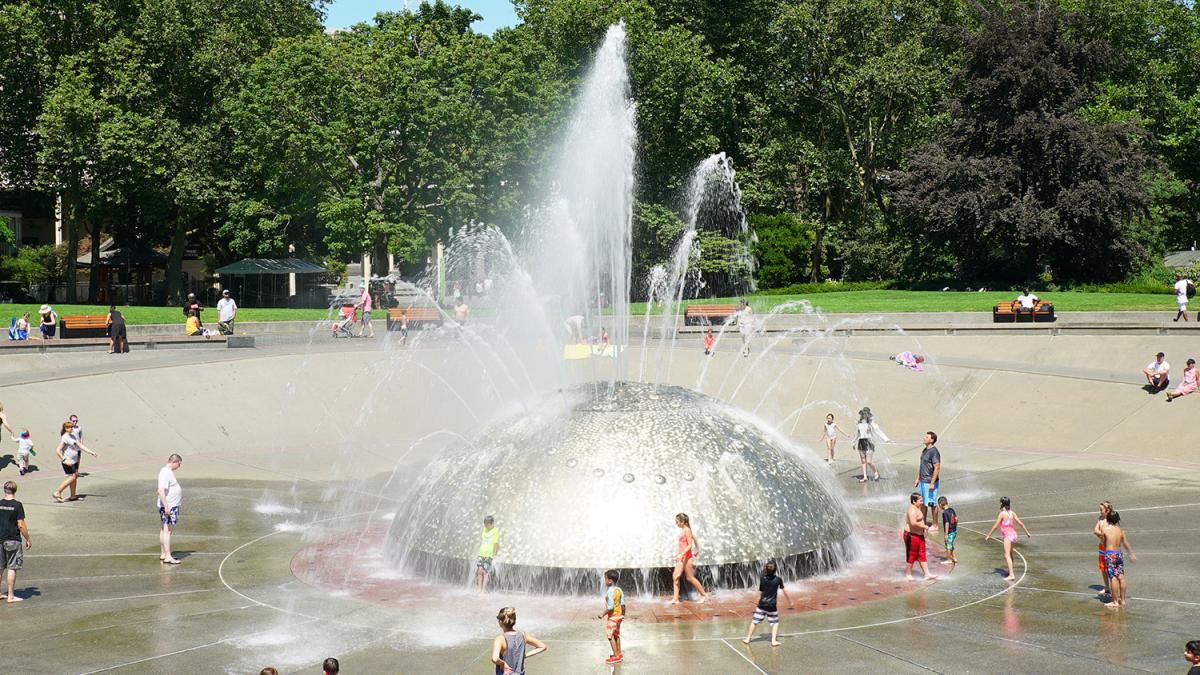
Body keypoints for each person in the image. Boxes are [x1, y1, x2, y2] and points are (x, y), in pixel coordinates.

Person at [741, 561, 796, 647]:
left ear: (766, 570)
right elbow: (785, 591)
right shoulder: (778, 580)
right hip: (772, 606)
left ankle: (748, 638)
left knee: (754, 622)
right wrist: (790, 601)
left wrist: (759, 600)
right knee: (775, 622)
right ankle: (773, 641)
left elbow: (761, 592)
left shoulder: (762, 579)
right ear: (775, 570)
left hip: (761, 605)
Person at [985, 496, 1031, 581]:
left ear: (1002, 503)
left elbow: (995, 526)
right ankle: (1010, 572)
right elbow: (1020, 523)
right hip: (1014, 535)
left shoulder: (1002, 514)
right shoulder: (1012, 513)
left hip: (1008, 536)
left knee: (1007, 555)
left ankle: (1012, 575)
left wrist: (989, 535)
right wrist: (1027, 533)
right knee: (1010, 554)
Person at [491, 606, 547, 675]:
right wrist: (524, 655)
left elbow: (495, 659)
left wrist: (503, 663)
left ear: (500, 621)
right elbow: (543, 646)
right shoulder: (523, 635)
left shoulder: (500, 639)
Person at [0, 481, 31, 603]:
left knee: (0, 567)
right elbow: (21, 525)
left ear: (4, 490)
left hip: (0, 538)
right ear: (15, 491)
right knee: (12, 567)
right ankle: (11, 595)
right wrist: (27, 538)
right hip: (12, 539)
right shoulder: (17, 505)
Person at [51, 421, 97, 503]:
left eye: (72, 427)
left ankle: (73, 496)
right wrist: (64, 459)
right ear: (65, 428)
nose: (71, 428)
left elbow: (80, 446)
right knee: (72, 477)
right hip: (68, 461)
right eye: (69, 427)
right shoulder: (65, 437)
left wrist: (92, 452)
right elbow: (57, 450)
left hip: (74, 460)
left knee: (74, 478)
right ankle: (58, 492)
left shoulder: (72, 436)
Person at [1100, 510, 1135, 609]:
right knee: (1121, 577)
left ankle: (1115, 601)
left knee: (1113, 578)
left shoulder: (1105, 529)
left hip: (1110, 555)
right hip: (1119, 554)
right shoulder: (1120, 530)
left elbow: (1103, 542)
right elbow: (1126, 544)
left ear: (1108, 519)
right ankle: (1123, 600)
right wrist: (1131, 554)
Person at [670, 512, 708, 603]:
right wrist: (678, 554)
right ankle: (675, 599)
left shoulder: (687, 530)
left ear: (683, 521)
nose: (676, 524)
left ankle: (703, 595)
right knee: (675, 576)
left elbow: (690, 545)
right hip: (682, 557)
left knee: (690, 578)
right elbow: (693, 539)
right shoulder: (683, 529)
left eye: (677, 522)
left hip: (686, 557)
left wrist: (682, 554)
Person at [903, 492, 936, 581]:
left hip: (919, 536)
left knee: (922, 554)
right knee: (911, 555)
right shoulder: (912, 510)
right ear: (914, 501)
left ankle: (927, 574)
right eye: (920, 500)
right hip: (912, 536)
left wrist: (923, 528)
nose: (922, 502)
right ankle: (908, 574)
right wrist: (925, 526)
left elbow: (918, 521)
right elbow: (913, 523)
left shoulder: (917, 508)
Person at [158, 454, 183, 564]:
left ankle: (164, 553)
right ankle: (168, 556)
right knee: (167, 531)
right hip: (169, 506)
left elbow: (162, 489)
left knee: (164, 530)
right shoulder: (166, 472)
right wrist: (167, 506)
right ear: (174, 461)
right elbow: (161, 490)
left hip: (169, 505)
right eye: (179, 463)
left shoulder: (166, 472)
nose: (179, 466)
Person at [596, 569, 625, 664]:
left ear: (610, 581)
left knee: (610, 635)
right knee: (616, 635)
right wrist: (623, 614)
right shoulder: (619, 590)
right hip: (619, 616)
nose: (604, 581)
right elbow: (623, 604)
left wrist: (602, 614)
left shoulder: (610, 591)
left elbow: (611, 607)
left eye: (605, 579)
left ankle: (616, 656)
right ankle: (619, 653)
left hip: (612, 617)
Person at [853, 407, 889, 482]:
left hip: (869, 441)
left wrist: (885, 438)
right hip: (861, 442)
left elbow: (878, 431)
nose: (864, 415)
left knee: (868, 461)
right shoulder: (859, 423)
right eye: (863, 414)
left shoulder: (871, 423)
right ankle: (865, 477)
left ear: (868, 415)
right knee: (863, 460)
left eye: (866, 414)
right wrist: (853, 442)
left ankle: (876, 472)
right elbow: (856, 433)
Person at [915, 431, 941, 531]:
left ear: (932, 440)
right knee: (922, 503)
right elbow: (922, 466)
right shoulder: (925, 450)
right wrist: (918, 478)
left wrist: (932, 483)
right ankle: (923, 522)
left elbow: (937, 468)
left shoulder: (934, 452)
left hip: (930, 482)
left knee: (932, 504)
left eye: (926, 437)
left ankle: (935, 525)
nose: (924, 438)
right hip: (923, 481)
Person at [1093, 501, 1114, 601]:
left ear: (1108, 510)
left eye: (1101, 510)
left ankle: (1113, 588)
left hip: (1109, 547)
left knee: (1111, 568)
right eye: (1099, 509)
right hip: (1102, 546)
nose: (1100, 511)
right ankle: (1107, 587)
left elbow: (1112, 532)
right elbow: (1095, 530)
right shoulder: (1100, 519)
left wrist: (1101, 534)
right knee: (1103, 568)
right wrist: (1100, 534)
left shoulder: (1110, 520)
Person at [476, 515, 500, 592]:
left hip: (489, 554)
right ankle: (479, 589)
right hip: (481, 553)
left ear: (492, 523)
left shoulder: (495, 530)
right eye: (485, 524)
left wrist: (494, 554)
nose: (486, 526)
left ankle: (483, 590)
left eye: (487, 525)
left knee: (485, 572)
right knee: (479, 571)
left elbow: (496, 544)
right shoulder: (484, 529)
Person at [938, 495, 957, 568]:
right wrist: (955, 527)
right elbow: (956, 519)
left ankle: (949, 559)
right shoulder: (952, 510)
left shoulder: (945, 513)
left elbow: (946, 523)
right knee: (951, 544)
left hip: (949, 532)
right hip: (954, 530)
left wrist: (946, 534)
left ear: (940, 505)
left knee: (948, 546)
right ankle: (954, 557)